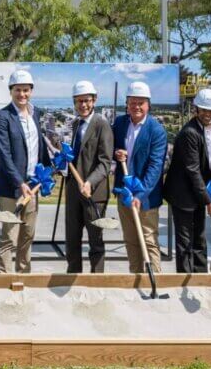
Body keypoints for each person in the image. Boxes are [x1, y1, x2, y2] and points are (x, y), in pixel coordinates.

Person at [0, 70, 51, 273]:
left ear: (31, 91)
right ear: (11, 91)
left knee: (28, 234)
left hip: (32, 186)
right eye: (18, 90)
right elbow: (4, 154)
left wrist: (47, 170)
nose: (22, 94)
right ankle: (5, 276)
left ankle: (24, 274)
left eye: (26, 90)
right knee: (9, 235)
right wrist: (20, 183)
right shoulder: (2, 117)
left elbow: (38, 146)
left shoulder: (35, 114)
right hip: (12, 187)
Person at [112, 81, 168, 274]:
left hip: (146, 198)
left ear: (148, 105)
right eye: (132, 102)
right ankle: (135, 278)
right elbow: (111, 148)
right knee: (131, 241)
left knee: (149, 240)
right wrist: (116, 153)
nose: (136, 106)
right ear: (127, 104)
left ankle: (156, 279)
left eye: (140, 103)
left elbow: (155, 167)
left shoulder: (156, 130)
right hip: (124, 193)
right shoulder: (120, 123)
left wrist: (140, 195)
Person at [163, 88, 211, 273]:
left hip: (198, 192)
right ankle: (185, 279)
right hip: (183, 195)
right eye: (204, 110)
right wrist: (209, 201)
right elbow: (193, 171)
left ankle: (200, 277)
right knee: (185, 242)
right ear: (196, 109)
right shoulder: (190, 133)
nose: (208, 114)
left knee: (199, 239)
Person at [64, 80, 112, 273]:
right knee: (72, 240)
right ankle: (73, 276)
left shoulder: (101, 124)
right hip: (74, 191)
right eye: (79, 101)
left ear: (94, 100)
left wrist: (90, 182)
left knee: (96, 242)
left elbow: (105, 162)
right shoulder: (75, 124)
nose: (83, 105)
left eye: (87, 100)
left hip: (94, 195)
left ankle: (96, 282)